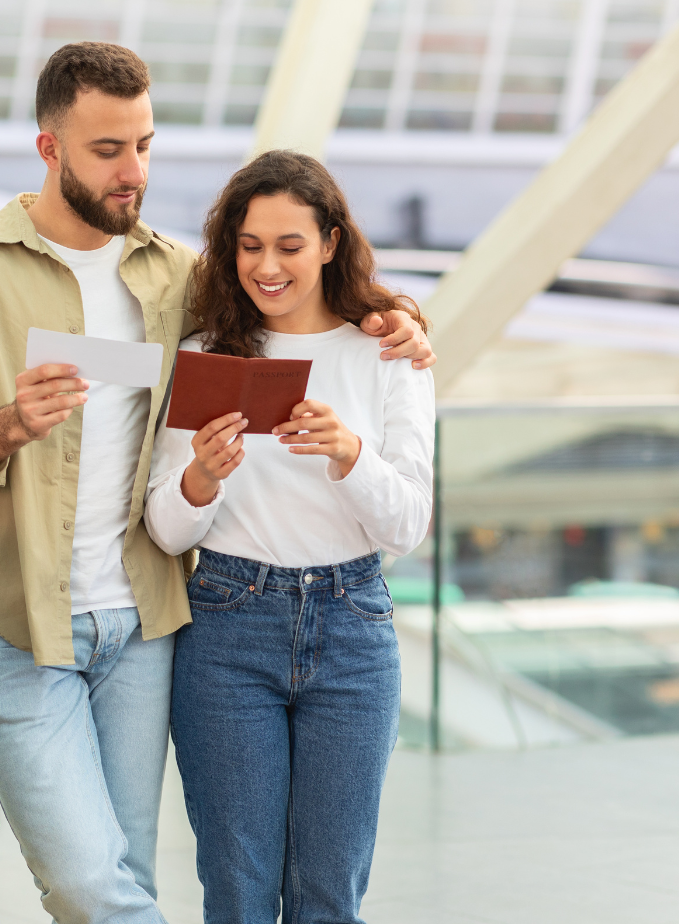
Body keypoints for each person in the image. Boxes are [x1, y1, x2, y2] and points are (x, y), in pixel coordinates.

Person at [0, 44, 432, 924]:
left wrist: (389, 320)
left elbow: (286, 294)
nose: (133, 171)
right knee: (93, 888)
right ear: (49, 148)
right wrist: (5, 425)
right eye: (107, 150)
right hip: (22, 623)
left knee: (131, 874)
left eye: (144, 144)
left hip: (147, 622)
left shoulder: (176, 276)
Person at [143, 150, 435, 924]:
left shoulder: (388, 353)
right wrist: (201, 475)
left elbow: (408, 524)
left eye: (289, 246)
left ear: (331, 243)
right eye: (249, 245)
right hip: (229, 626)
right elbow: (167, 532)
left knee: (328, 895)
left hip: (354, 626)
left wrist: (350, 455)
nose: (266, 266)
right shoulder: (207, 356)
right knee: (237, 891)